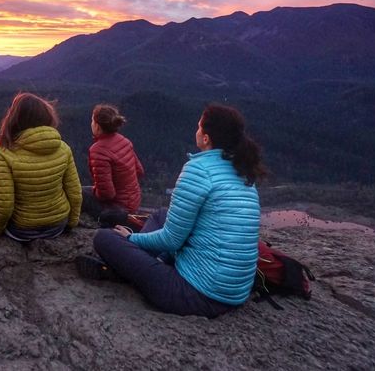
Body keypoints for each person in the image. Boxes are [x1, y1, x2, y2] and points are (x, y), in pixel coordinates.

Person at [77, 103, 264, 318]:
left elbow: (171, 241)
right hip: (235, 293)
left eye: (199, 126)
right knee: (161, 215)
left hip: (196, 295)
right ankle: (140, 262)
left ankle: (125, 267)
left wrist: (131, 238)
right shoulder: (242, 171)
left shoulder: (198, 170)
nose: (196, 130)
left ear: (206, 138)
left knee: (104, 238)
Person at [0, 92, 82, 241]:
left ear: (15, 119)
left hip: (22, 230)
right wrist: (71, 223)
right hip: (57, 226)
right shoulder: (64, 148)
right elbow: (75, 193)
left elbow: (5, 206)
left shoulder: (4, 154)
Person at [81, 104, 144, 223]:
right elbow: (139, 171)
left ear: (97, 126)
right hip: (133, 203)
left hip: (117, 209)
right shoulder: (124, 141)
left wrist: (96, 191)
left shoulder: (98, 150)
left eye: (92, 121)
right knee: (84, 191)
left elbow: (107, 194)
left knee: (76, 194)